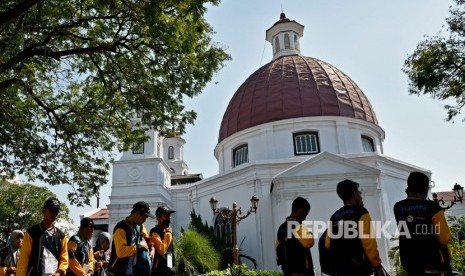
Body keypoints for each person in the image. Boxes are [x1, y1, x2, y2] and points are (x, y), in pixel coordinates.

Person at [393, 171, 452, 275]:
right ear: (425, 189)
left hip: (409, 261)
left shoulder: (398, 207)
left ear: (408, 187)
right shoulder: (433, 207)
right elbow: (444, 237)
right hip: (431, 262)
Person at [325, 180, 385, 276]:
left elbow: (328, 244)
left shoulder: (334, 216)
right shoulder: (361, 212)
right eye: (358, 192)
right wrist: (377, 265)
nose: (359, 195)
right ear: (354, 193)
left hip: (338, 268)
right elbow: (368, 243)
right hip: (357, 268)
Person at [16, 197, 68, 276]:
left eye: (56, 211)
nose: (54, 214)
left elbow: (64, 259)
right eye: (51, 211)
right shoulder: (31, 233)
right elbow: (23, 260)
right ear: (43, 211)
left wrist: (60, 272)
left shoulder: (61, 236)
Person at [108, 201, 155, 276]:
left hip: (133, 271)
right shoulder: (121, 228)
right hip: (119, 272)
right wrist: (139, 246)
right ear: (137, 214)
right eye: (144, 217)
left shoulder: (140, 226)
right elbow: (121, 252)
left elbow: (148, 238)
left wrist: (152, 248)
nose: (145, 220)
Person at [275, 197, 315, 276]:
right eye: (305, 214)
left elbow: (277, 247)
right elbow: (309, 242)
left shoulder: (282, 227)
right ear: (301, 210)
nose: (305, 218)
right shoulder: (298, 226)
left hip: (287, 271)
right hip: (301, 271)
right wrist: (310, 233)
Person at [150, 206, 176, 276]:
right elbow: (161, 250)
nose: (169, 217)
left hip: (169, 270)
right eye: (166, 215)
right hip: (159, 271)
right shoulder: (154, 231)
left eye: (169, 215)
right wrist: (169, 234)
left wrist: (171, 268)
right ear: (158, 218)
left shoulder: (167, 231)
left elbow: (170, 252)